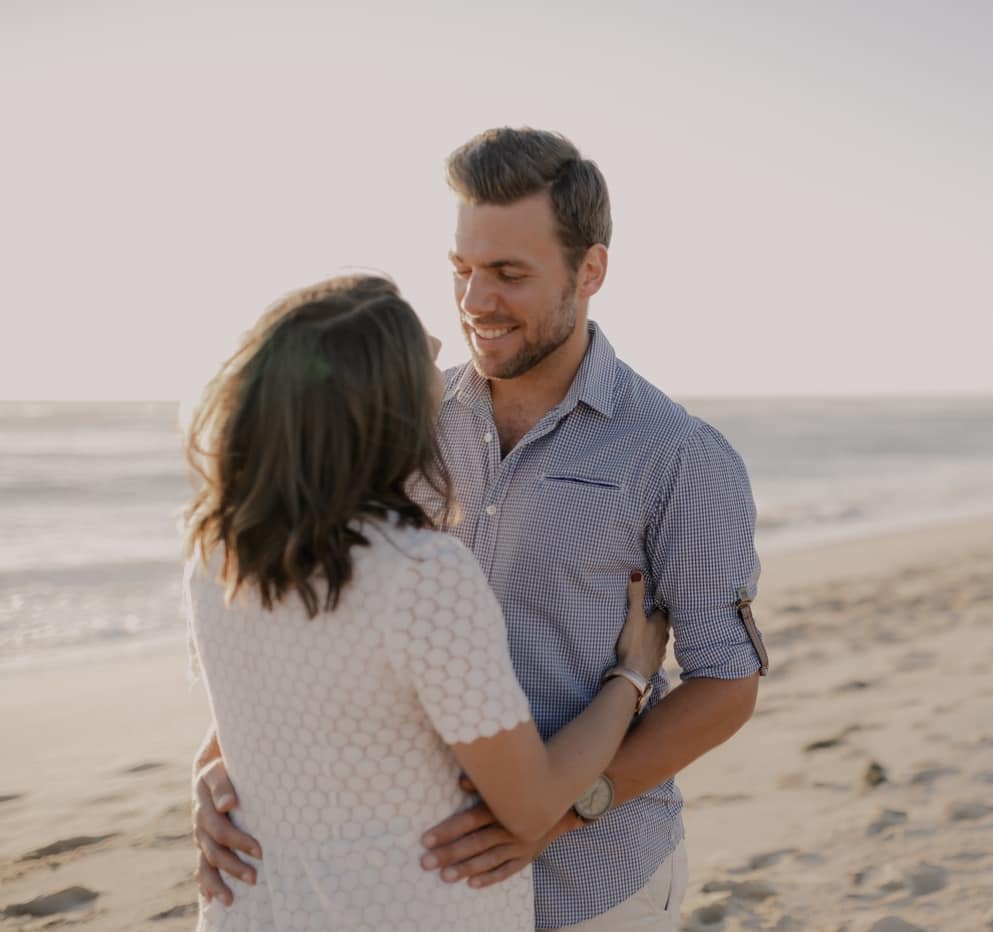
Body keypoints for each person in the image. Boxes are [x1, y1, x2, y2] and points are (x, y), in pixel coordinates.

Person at [193, 128, 769, 931]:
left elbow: (725, 683)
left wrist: (564, 814)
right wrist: (222, 767)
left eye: (508, 274)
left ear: (590, 270)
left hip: (597, 886)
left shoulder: (678, 456)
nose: (472, 302)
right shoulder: (399, 420)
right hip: (414, 892)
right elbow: (309, 607)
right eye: (461, 270)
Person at [184, 275, 669, 931]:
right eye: (424, 355)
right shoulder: (419, 574)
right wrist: (632, 676)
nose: (446, 355)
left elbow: (252, 731)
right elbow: (528, 807)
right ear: (389, 412)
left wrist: (207, 774)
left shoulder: (220, 553)